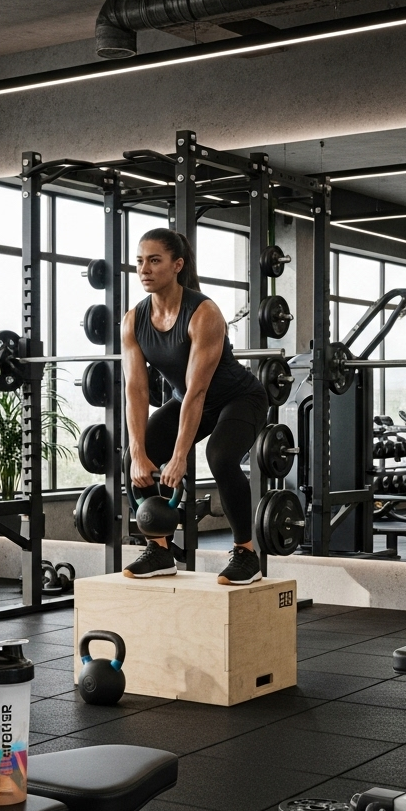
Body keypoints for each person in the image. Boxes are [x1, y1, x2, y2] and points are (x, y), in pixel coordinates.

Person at [121, 228, 269, 584]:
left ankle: (246, 554)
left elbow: (197, 392)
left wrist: (179, 457)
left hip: (238, 398)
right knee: (133, 458)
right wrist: (141, 452)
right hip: (184, 399)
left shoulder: (204, 313)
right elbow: (136, 390)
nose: (145, 269)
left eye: (155, 260)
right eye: (140, 261)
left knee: (220, 455)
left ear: (177, 265)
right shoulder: (133, 320)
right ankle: (160, 549)